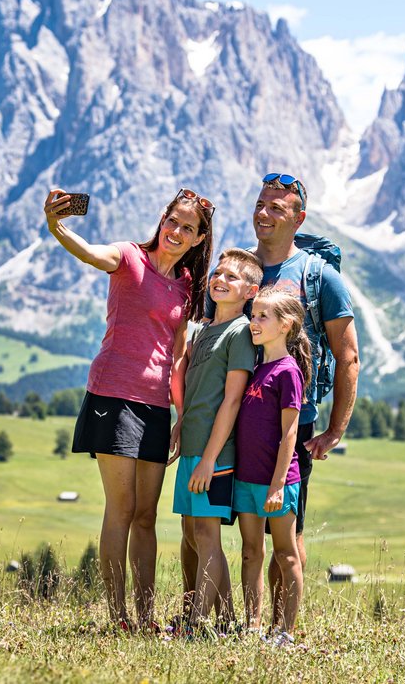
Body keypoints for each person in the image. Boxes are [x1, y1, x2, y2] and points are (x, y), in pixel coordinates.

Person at [43, 186, 214, 631]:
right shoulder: (128, 256)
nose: (176, 231)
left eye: (188, 228)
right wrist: (57, 226)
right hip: (113, 396)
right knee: (121, 509)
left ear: (199, 239)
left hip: (155, 407)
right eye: (172, 221)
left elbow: (177, 354)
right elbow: (90, 254)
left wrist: (179, 415)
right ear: (162, 219)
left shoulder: (186, 285)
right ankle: (119, 618)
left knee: (146, 515)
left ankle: (145, 616)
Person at [205, 172, 359, 614]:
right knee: (207, 523)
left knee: (286, 534)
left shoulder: (319, 276)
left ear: (299, 219)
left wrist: (334, 430)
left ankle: (281, 628)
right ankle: (228, 620)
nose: (263, 213)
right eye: (260, 204)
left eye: (276, 207)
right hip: (228, 418)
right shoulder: (237, 269)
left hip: (290, 421)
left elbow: (348, 355)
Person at [169, 248, 262, 632]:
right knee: (192, 533)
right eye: (217, 273)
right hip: (192, 445)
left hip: (215, 454)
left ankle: (196, 624)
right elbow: (196, 389)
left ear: (250, 291)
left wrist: (209, 459)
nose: (220, 280)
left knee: (207, 534)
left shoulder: (240, 332)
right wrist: (181, 424)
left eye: (232, 277)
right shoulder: (204, 330)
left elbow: (232, 399)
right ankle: (225, 621)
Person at [234, 287, 313, 645]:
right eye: (253, 315)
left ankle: (285, 631)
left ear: (286, 325)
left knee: (285, 554)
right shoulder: (255, 368)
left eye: (262, 316)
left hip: (278, 482)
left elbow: (290, 433)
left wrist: (278, 484)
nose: (254, 322)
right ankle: (252, 626)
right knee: (250, 552)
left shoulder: (287, 371)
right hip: (246, 478)